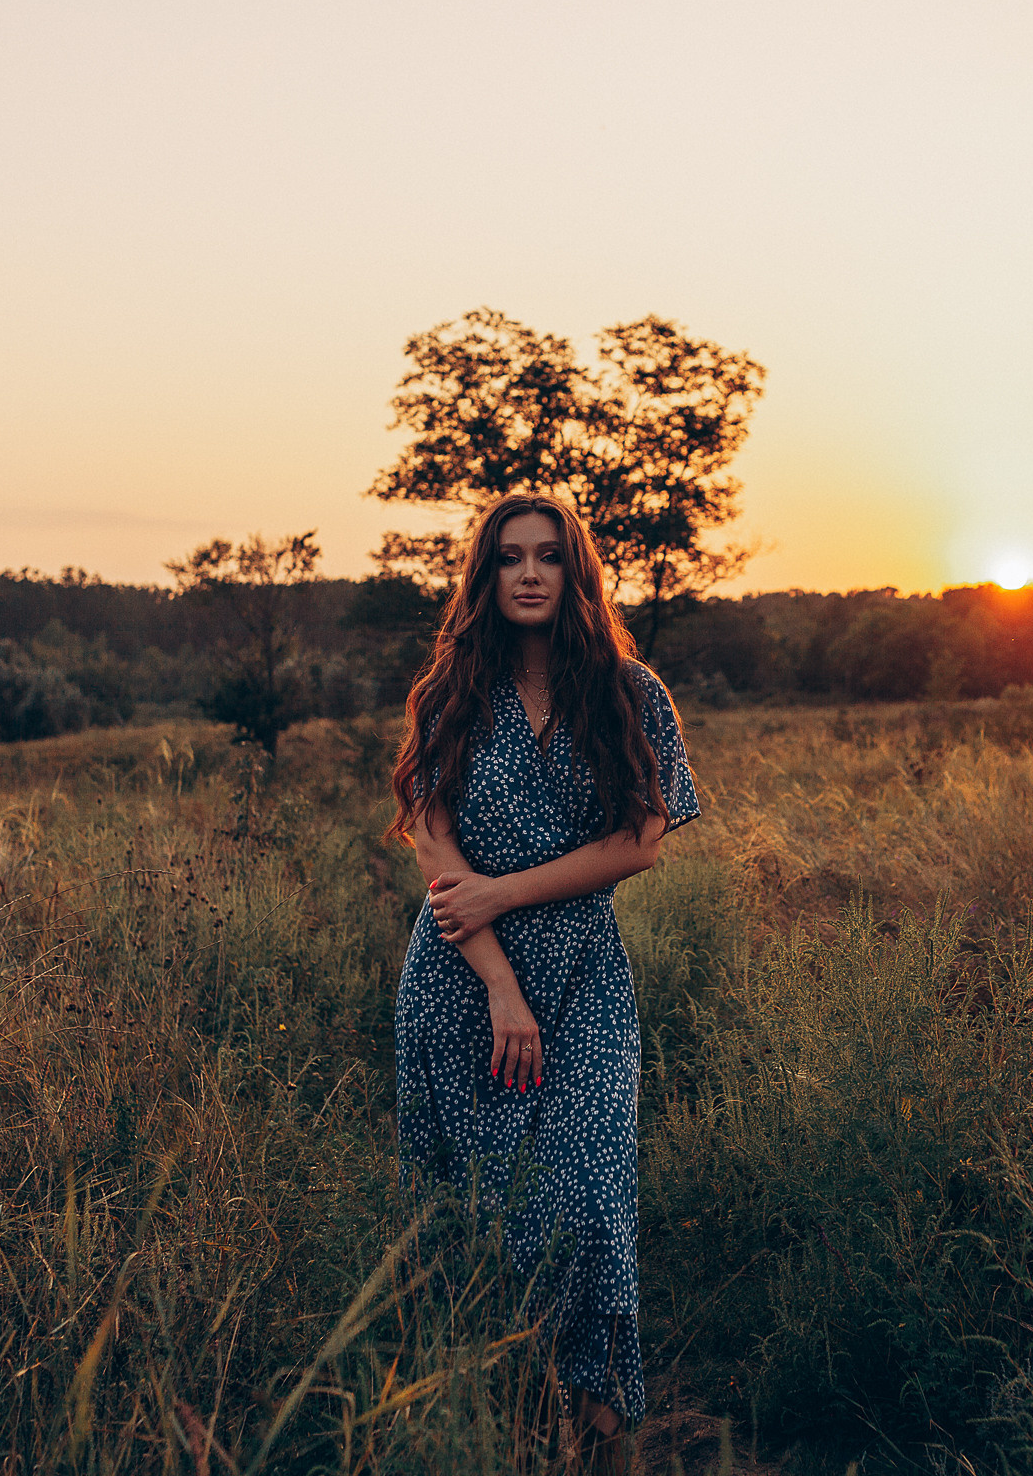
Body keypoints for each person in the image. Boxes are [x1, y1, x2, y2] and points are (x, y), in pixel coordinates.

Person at [388, 492, 700, 1460]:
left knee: (591, 1198)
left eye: (549, 556)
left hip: (583, 976)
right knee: (479, 1210)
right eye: (510, 557)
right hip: (459, 978)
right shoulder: (449, 694)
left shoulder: (629, 691)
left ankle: (596, 1425)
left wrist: (504, 892)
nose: (529, 573)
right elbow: (435, 848)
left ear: (577, 572)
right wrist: (497, 979)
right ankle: (504, 1420)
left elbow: (639, 843)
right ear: (485, 577)